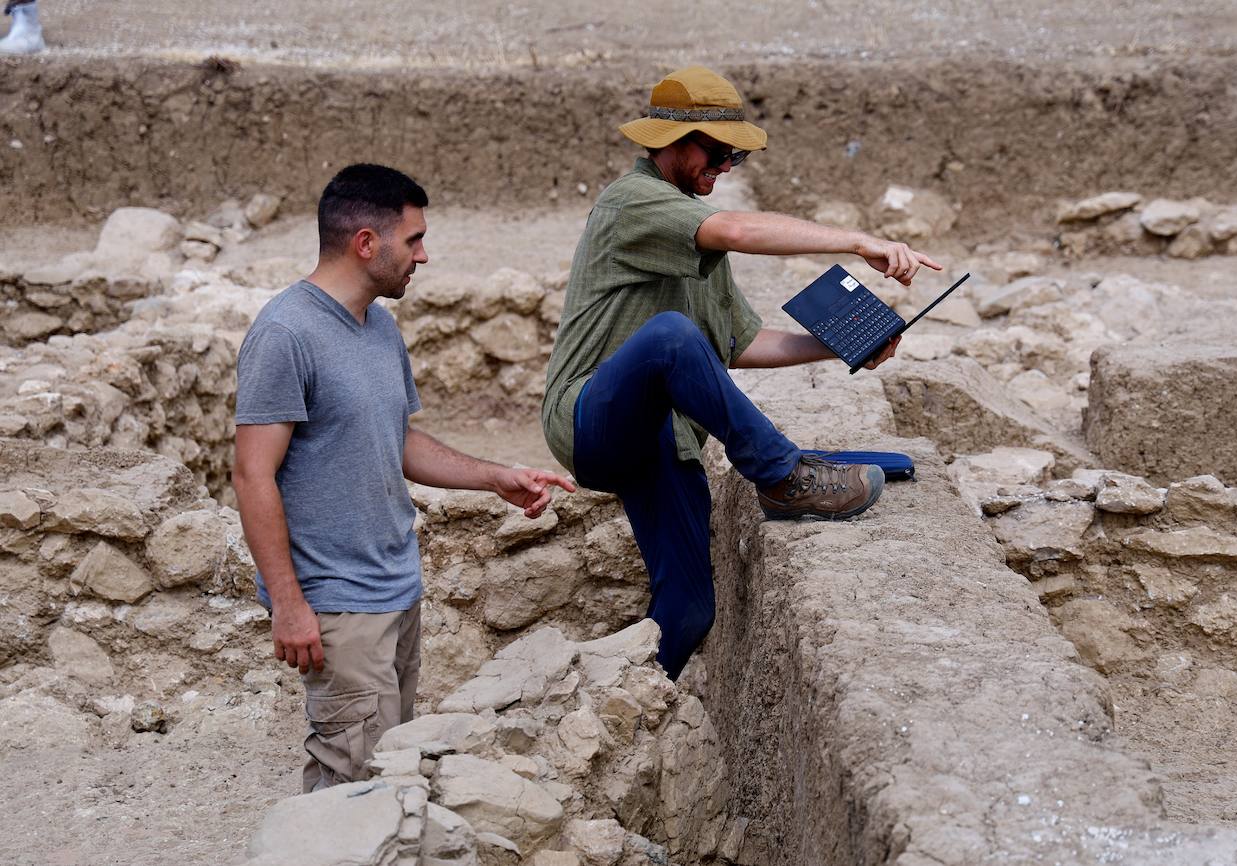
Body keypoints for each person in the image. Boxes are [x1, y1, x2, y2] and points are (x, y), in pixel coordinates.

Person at [542, 66, 942, 681]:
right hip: (590, 418)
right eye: (717, 150)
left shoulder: (691, 235)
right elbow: (733, 231)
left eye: (733, 155)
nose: (725, 166)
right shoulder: (632, 200)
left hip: (664, 440)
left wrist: (843, 345)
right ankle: (782, 475)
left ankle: (632, 711)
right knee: (671, 335)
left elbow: (738, 342)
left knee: (690, 610)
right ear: (671, 143)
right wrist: (856, 241)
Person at [234, 163, 575, 792]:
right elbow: (253, 474)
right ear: (367, 243)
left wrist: (494, 476)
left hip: (395, 588)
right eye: (414, 240)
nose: (424, 255)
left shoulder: (379, 325)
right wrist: (288, 605)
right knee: (352, 783)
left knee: (383, 772)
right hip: (338, 603)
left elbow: (397, 440)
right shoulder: (286, 333)